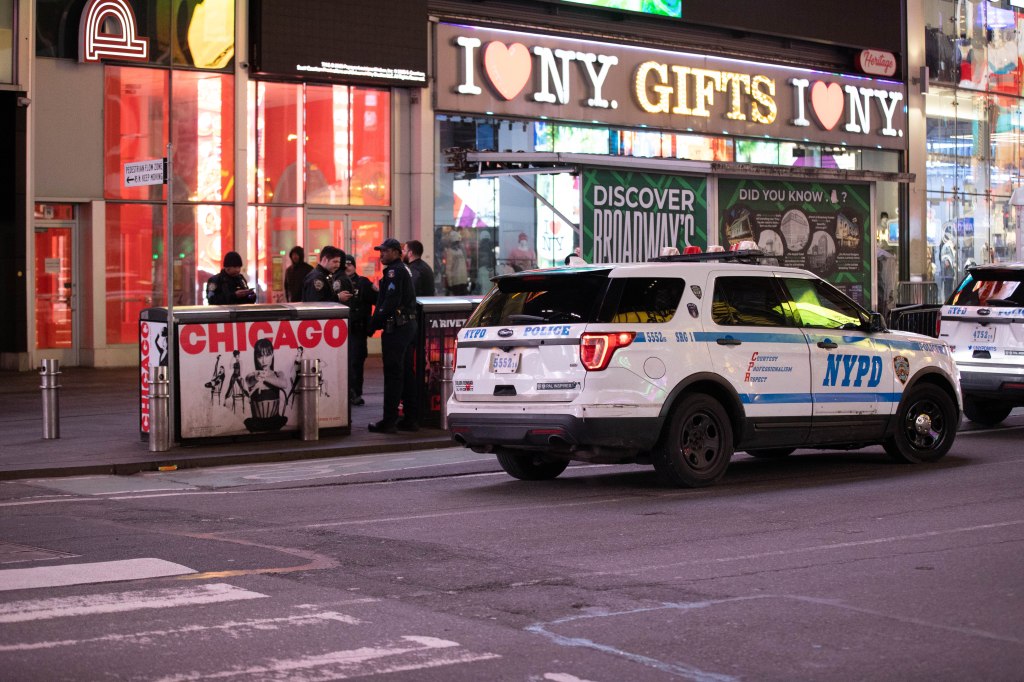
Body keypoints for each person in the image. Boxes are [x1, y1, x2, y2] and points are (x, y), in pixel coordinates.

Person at [367, 238, 418, 433]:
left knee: (393, 374)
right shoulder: (403, 269)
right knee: (405, 373)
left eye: (386, 251)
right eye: (380, 251)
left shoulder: (394, 271)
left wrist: (373, 324)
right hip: (407, 326)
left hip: (398, 328)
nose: (382, 254)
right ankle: (411, 419)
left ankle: (389, 421)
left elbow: (390, 302)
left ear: (397, 252)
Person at [344, 254, 377, 406]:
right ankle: (345, 393)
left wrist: (372, 323)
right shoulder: (337, 283)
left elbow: (379, 300)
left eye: (349, 265)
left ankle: (356, 393)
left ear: (354, 266)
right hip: (341, 332)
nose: (347, 268)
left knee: (356, 363)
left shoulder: (363, 283)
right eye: (344, 265)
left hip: (357, 331)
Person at [243, 338, 289, 433]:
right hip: (256, 424)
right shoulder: (251, 375)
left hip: (275, 422)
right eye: (260, 356)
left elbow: (284, 384)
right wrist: (257, 377)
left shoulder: (278, 374)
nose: (264, 360)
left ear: (272, 355)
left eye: (267, 355)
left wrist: (265, 378)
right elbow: (249, 382)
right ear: (256, 357)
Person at [444, 231, 470, 296]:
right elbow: (448, 269)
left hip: (462, 281)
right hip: (456, 282)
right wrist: (450, 283)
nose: (458, 243)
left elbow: (449, 269)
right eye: (457, 242)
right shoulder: (451, 252)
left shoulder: (460, 250)